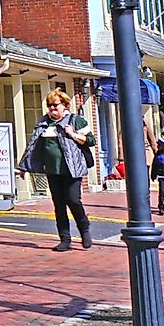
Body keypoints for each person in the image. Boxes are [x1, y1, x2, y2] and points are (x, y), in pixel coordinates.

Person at [28, 91, 98, 249]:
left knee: (73, 200)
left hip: (72, 170)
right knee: (59, 205)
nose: (52, 109)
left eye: (55, 105)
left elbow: (91, 140)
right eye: (49, 106)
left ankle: (84, 228)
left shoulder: (75, 120)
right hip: (53, 171)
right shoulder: (44, 123)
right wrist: (25, 167)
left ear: (65, 105)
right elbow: (33, 146)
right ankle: (65, 240)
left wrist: (73, 134)